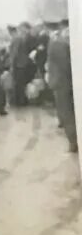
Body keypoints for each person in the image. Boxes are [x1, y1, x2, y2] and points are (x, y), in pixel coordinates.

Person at [47, 20, 77, 153]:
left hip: (62, 83)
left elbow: (63, 66)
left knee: (66, 112)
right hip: (68, 81)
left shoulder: (56, 44)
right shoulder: (64, 43)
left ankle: (73, 142)